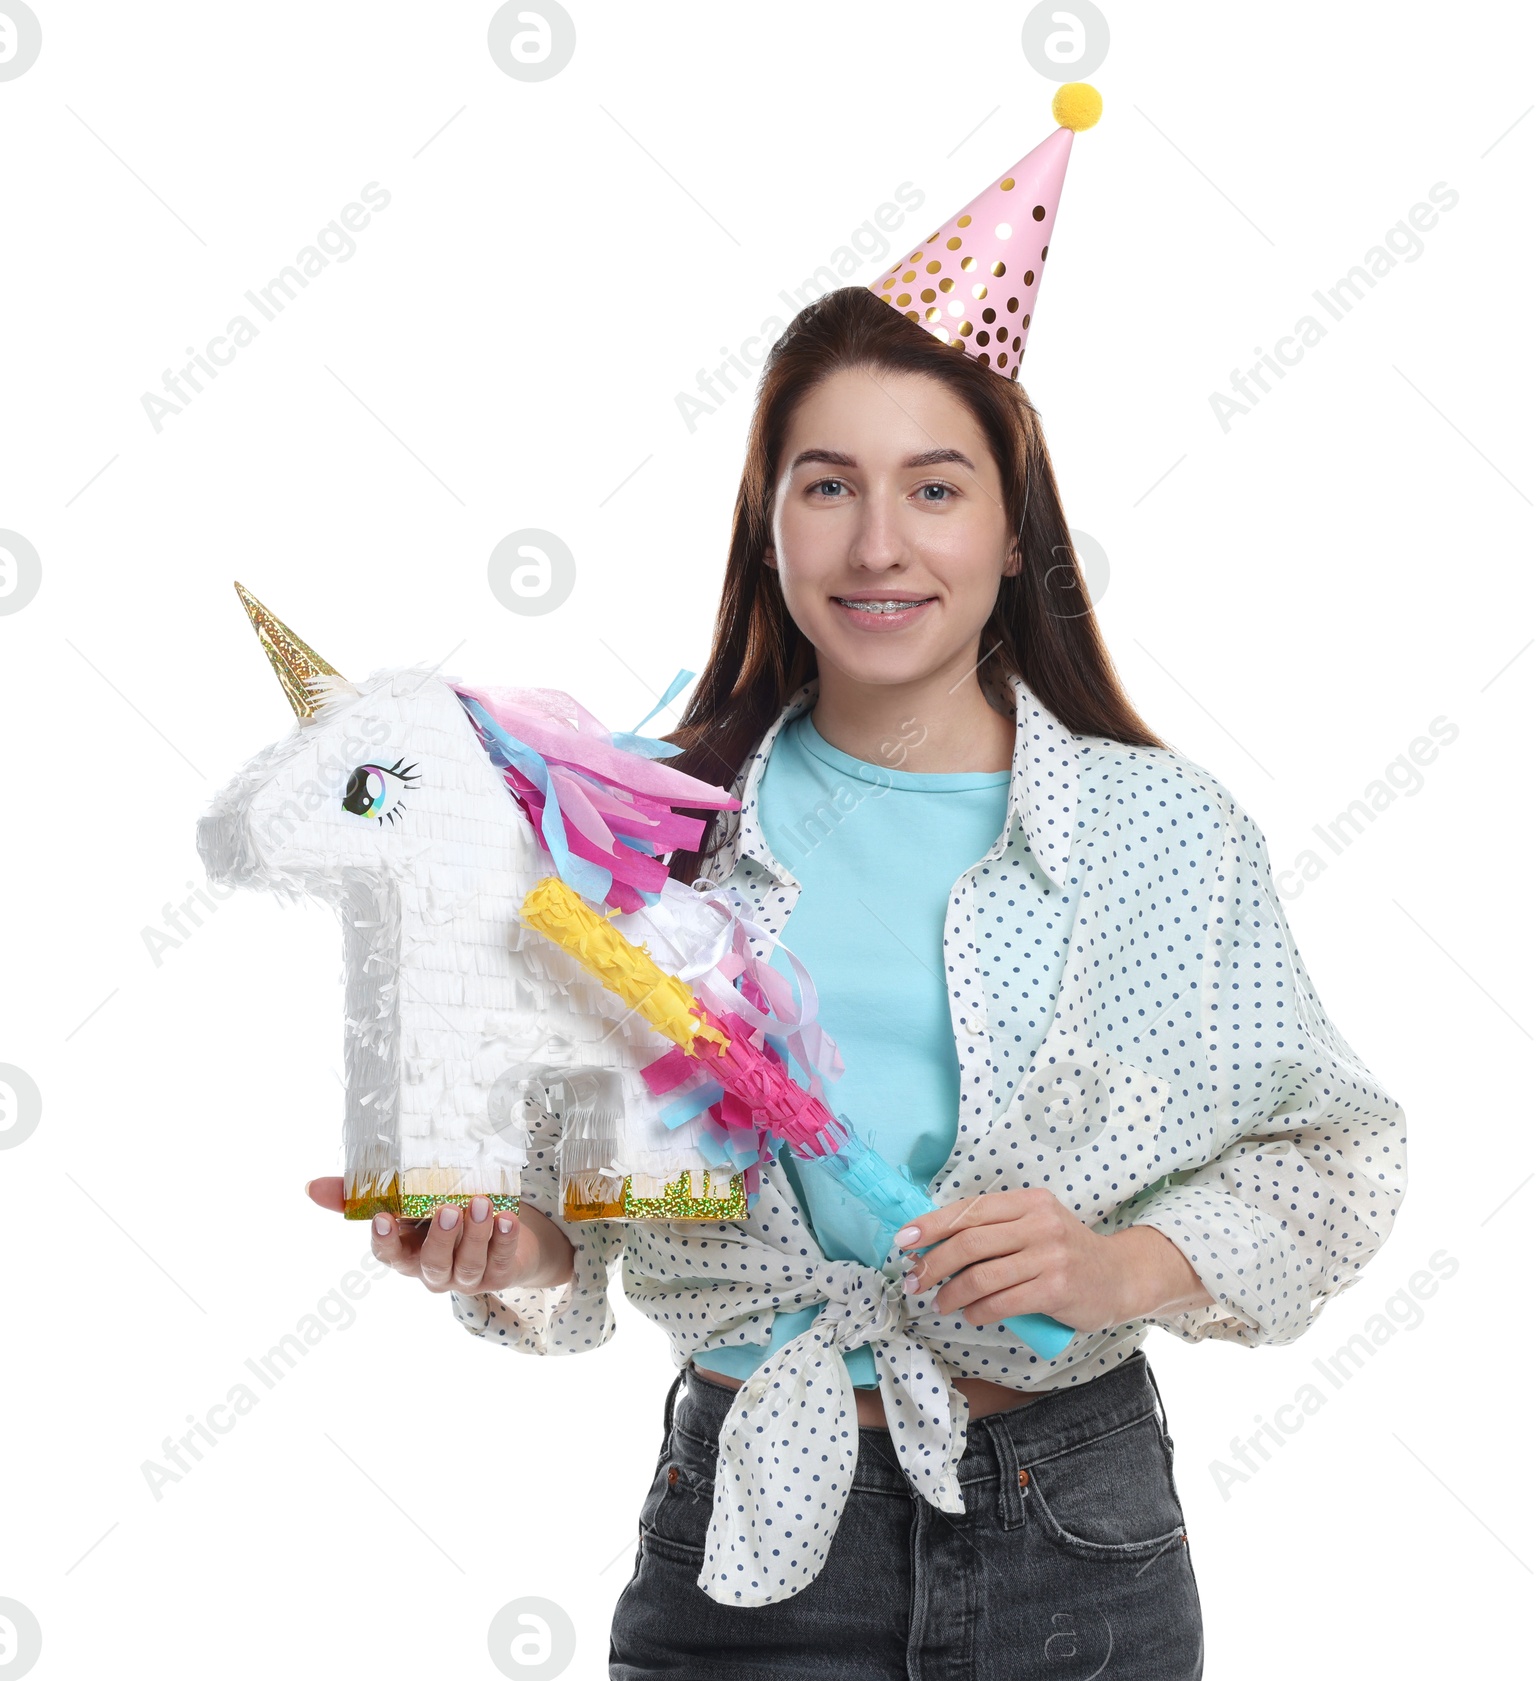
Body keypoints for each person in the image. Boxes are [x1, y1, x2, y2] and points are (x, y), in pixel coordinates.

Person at [308, 91, 1407, 1680]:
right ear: (768, 528)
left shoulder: (1161, 834)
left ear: (1013, 528)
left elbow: (1331, 1155)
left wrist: (1116, 1268)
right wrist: (514, 1244)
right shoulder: (642, 835)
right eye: (827, 483)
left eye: (936, 486)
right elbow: (571, 1201)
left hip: (1072, 1526)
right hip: (754, 1523)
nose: (880, 541)